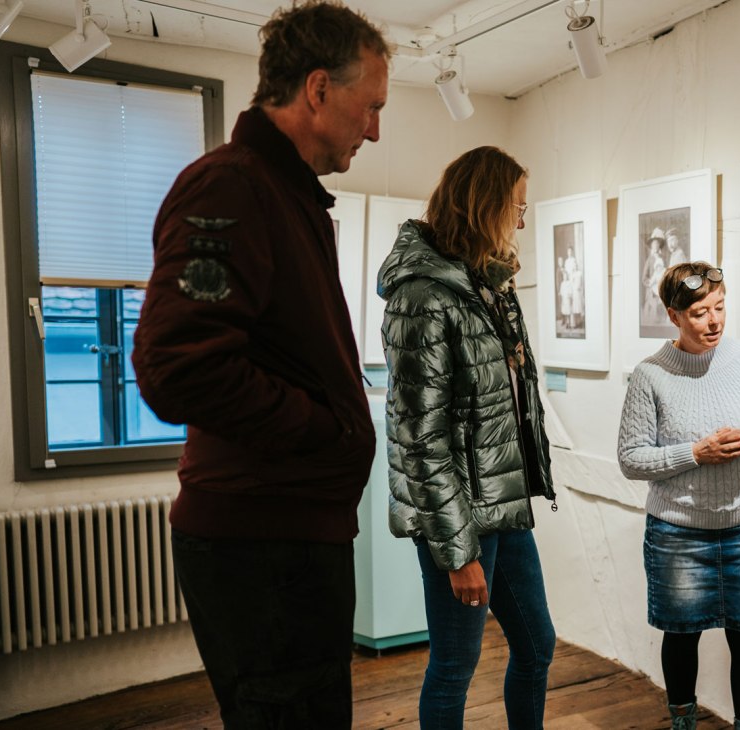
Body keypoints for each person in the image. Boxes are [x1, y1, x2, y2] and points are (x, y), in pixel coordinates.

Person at [131, 1, 387, 725]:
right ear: (317, 91)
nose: (375, 128)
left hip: (288, 536)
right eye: (370, 107)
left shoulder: (285, 194)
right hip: (262, 546)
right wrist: (323, 430)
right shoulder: (233, 186)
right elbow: (177, 366)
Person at [379, 146, 558, 730]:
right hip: (457, 516)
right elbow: (419, 437)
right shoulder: (422, 295)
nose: (523, 222)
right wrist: (459, 554)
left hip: (502, 501)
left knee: (536, 646)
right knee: (455, 665)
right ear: (485, 207)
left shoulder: (488, 286)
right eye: (517, 208)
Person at [617, 262, 740, 730]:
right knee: (681, 634)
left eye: (719, 308)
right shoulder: (650, 375)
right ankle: (683, 723)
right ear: (674, 316)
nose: (714, 322)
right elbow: (632, 459)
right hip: (679, 532)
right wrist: (694, 452)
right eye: (699, 312)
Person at [642, 229, 668, 324]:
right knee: (652, 314)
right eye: (654, 244)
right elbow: (644, 278)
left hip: (661, 290)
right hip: (651, 292)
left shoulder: (663, 259)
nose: (656, 246)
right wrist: (651, 283)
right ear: (652, 246)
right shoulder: (649, 260)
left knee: (662, 314)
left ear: (659, 246)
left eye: (657, 244)